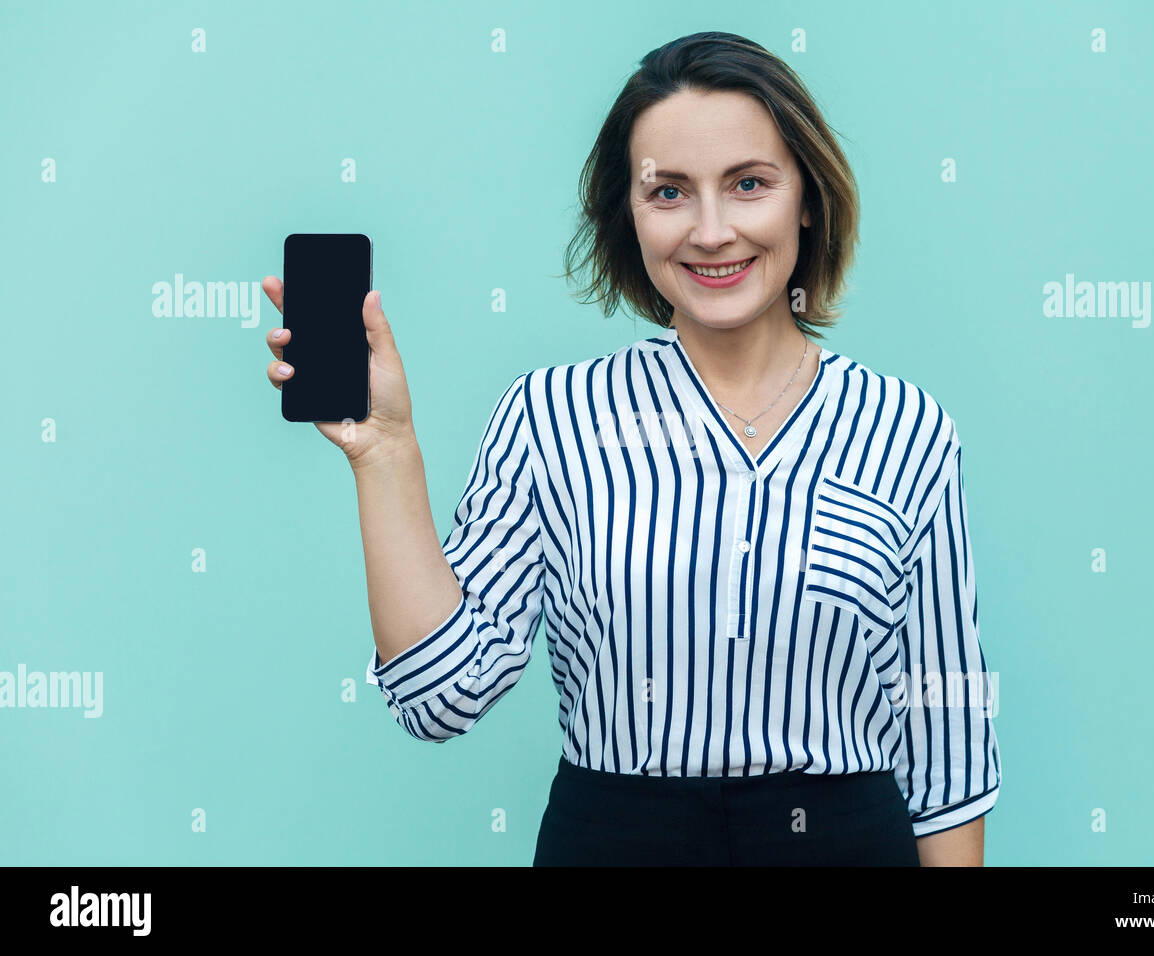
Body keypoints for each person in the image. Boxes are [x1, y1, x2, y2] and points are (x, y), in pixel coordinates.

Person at [261, 31, 1001, 866]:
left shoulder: (906, 428)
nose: (712, 231)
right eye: (670, 193)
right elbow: (440, 694)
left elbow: (947, 742)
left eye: (748, 184)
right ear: (630, 213)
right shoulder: (552, 418)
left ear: (806, 199)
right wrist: (385, 453)